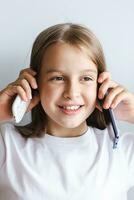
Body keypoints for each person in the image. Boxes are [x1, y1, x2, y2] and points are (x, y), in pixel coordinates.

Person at [0, 23, 134, 200]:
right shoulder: (7, 146)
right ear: (35, 82)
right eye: (58, 78)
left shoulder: (122, 151)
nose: (71, 93)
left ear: (100, 85)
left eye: (86, 78)